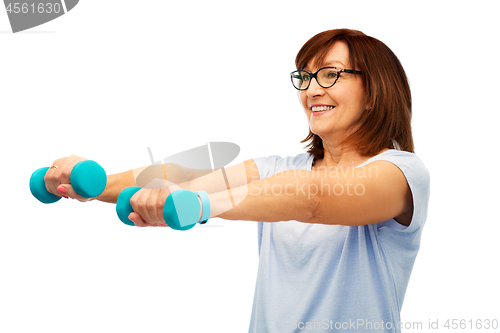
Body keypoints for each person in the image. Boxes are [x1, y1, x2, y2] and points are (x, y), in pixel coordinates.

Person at [42, 29, 430, 332]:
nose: (312, 89)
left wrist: (201, 205)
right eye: (306, 76)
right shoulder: (278, 166)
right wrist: (90, 184)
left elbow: (313, 198)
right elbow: (186, 175)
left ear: (374, 91)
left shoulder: (401, 173)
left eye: (330, 74)